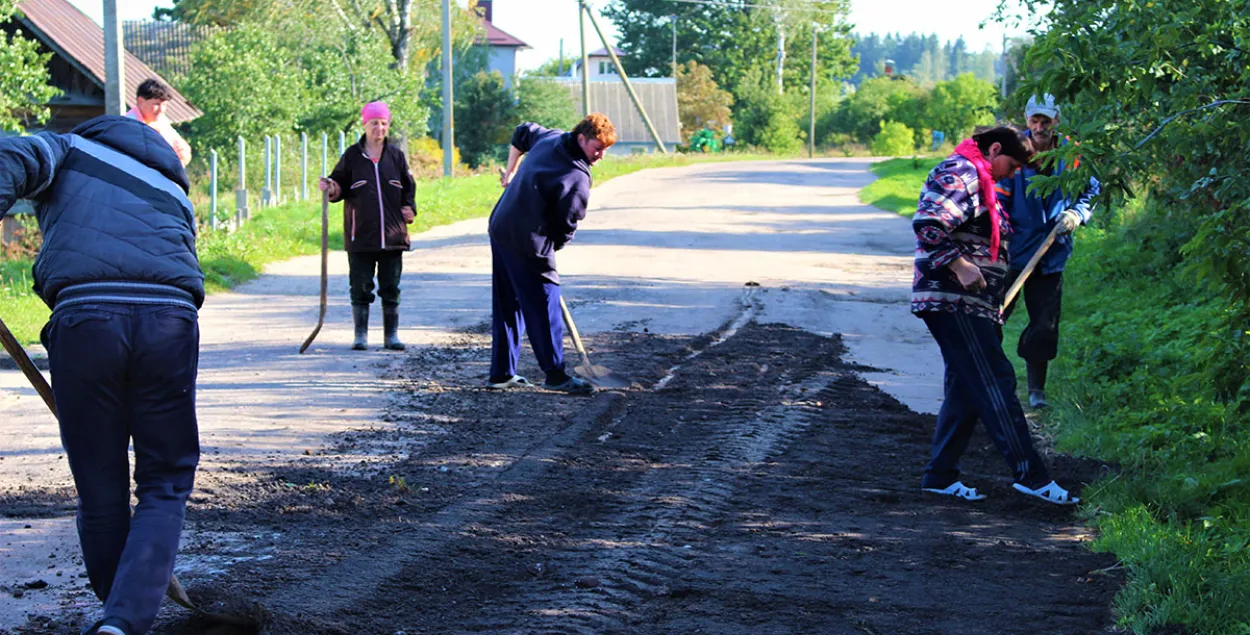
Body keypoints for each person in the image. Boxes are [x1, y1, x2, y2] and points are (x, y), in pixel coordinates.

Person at [0, 115, 204, 634]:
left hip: (87, 323)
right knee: (164, 479)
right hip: (169, 325)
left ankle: (117, 618)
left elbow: (10, 156)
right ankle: (123, 618)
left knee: (100, 487)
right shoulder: (176, 191)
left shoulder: (67, 148)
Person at [911, 125, 1079, 506]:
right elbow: (929, 224)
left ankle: (940, 475)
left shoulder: (980, 177)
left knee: (965, 387)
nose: (1014, 172)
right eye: (1013, 164)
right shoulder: (961, 173)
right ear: (995, 149)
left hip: (971, 304)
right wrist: (959, 265)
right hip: (953, 300)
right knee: (995, 380)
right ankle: (1030, 475)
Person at [486, 114, 616, 394]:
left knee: (508, 302)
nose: (601, 155)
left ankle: (501, 373)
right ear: (581, 139)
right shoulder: (577, 175)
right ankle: (555, 375)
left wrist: (510, 172)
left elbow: (521, 133)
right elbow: (567, 223)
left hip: (500, 225)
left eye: (605, 150)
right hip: (527, 238)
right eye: (597, 148)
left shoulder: (550, 137)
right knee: (545, 303)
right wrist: (551, 250)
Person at [997, 94, 1100, 409]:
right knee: (992, 318)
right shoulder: (1013, 153)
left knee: (1045, 324)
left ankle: (1036, 390)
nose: (1040, 127)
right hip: (1013, 252)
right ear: (1027, 121)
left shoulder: (1072, 155)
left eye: (1046, 121)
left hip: (1052, 252)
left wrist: (1076, 214)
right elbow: (998, 198)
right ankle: (987, 381)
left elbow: (1090, 190)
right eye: (1034, 121)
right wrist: (1000, 234)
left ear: (1056, 120)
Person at [320, 101, 416, 351]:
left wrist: (410, 209)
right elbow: (338, 185)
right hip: (360, 236)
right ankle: (360, 335)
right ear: (365, 125)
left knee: (391, 287)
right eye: (375, 123)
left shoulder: (396, 156)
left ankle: (391, 336)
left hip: (393, 235)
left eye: (384, 123)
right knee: (360, 286)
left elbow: (408, 188)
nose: (380, 128)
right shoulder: (352, 156)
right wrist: (331, 188)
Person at [125, 78, 192, 167]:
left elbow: (182, 149)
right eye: (156, 104)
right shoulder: (129, 125)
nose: (161, 110)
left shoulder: (161, 120)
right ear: (140, 101)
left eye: (164, 105)